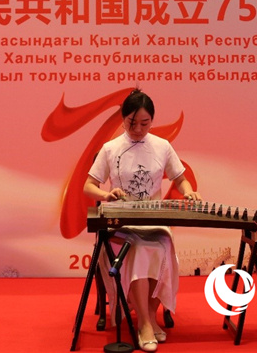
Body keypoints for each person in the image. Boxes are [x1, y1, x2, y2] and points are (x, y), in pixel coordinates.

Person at [84, 89, 201, 352]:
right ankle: (146, 324)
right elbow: (88, 186)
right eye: (131, 123)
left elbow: (180, 178)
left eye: (144, 123)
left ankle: (149, 315)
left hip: (154, 222)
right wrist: (106, 195)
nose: (138, 129)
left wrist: (188, 191)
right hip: (121, 226)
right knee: (137, 250)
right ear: (123, 119)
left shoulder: (162, 146)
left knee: (164, 247)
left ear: (152, 121)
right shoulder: (110, 148)